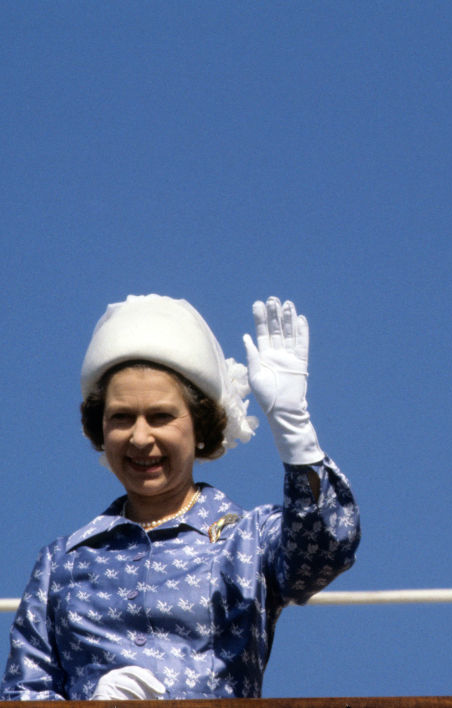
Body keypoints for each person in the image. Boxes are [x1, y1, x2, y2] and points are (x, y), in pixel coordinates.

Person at [2, 295, 360, 700]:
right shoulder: (62, 563)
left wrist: (293, 427)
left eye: (160, 417)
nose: (140, 437)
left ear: (200, 426)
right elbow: (22, 694)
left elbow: (325, 551)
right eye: (121, 418)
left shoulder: (249, 540)